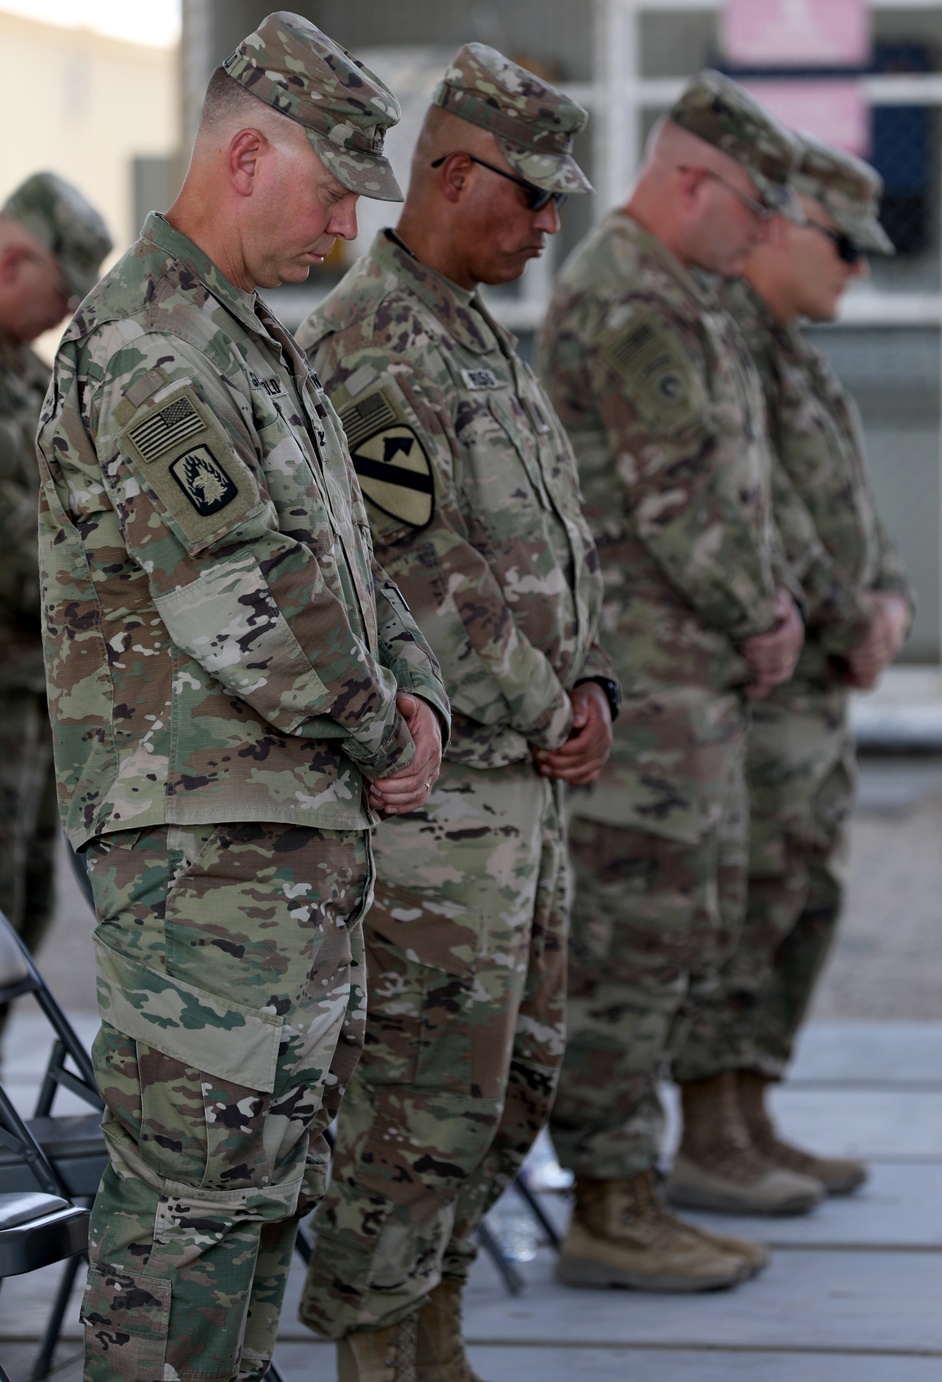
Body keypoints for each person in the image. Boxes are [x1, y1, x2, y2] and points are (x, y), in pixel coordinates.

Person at [35, 14, 449, 1381]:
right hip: (202, 847)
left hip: (286, 838)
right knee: (191, 1213)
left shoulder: (248, 341)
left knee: (263, 1190)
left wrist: (425, 695)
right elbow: (242, 597)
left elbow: (350, 558)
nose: (345, 224)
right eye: (335, 188)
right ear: (250, 151)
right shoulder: (151, 345)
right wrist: (385, 727)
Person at [294, 43, 616, 1381]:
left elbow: (549, 544)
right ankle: (380, 1350)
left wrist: (595, 686)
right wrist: (552, 703)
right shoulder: (372, 338)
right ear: (450, 173)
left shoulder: (471, 327)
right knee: (420, 1104)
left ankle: (440, 1332)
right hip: (448, 808)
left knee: (511, 1090)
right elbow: (426, 575)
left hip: (526, 790)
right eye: (532, 199)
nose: (550, 227)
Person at [536, 69, 818, 1295]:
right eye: (752, 206)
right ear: (688, 177)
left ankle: (641, 1182)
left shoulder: (679, 290)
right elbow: (676, 499)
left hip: (688, 680)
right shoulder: (626, 295)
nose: (763, 235)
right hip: (642, 685)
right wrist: (760, 610)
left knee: (686, 935)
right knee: (632, 947)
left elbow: (734, 486)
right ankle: (608, 1198)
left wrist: (774, 606)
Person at [672, 135, 914, 1193]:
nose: (856, 269)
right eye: (843, 244)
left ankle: (752, 1110)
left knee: (800, 900)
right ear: (779, 226)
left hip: (815, 685)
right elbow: (752, 513)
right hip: (760, 682)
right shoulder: (723, 345)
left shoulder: (792, 355)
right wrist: (849, 611)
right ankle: (709, 1133)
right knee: (746, 900)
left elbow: (849, 511)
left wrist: (886, 599)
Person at [0, 172, 110, 1027]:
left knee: (23, 911)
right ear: (12, 263)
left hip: (33, 704)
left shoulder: (32, 387)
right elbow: (25, 553)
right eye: (62, 292)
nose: (63, 315)